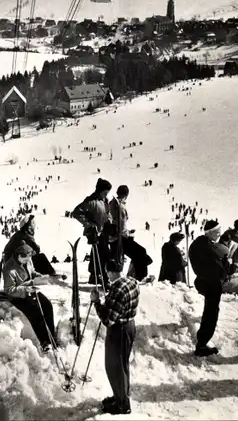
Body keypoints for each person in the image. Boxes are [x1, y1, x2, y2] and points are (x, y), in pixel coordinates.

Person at [90, 260, 139, 415]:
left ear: (109, 271)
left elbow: (108, 319)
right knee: (122, 365)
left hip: (118, 330)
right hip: (130, 326)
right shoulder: (131, 281)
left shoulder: (117, 289)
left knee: (114, 368)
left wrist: (96, 302)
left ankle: (122, 405)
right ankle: (121, 396)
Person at [3, 242, 58, 353]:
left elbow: (31, 272)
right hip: (17, 295)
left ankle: (52, 337)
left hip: (30, 289)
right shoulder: (9, 268)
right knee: (34, 312)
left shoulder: (28, 260)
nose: (28, 260)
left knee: (47, 306)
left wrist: (38, 276)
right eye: (26, 258)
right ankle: (44, 342)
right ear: (19, 256)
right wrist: (25, 290)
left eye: (29, 257)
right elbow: (9, 290)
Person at [189, 220, 226, 356]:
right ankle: (202, 345)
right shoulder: (206, 247)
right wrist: (226, 268)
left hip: (206, 281)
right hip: (211, 283)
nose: (219, 235)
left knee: (209, 311)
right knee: (211, 314)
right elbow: (215, 268)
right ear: (210, 233)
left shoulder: (201, 243)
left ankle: (202, 342)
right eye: (217, 232)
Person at [72, 178, 113, 286]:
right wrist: (88, 224)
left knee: (97, 253)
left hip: (103, 230)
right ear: (99, 191)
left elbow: (108, 212)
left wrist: (109, 219)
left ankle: (94, 275)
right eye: (105, 192)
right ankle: (103, 277)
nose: (106, 194)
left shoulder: (105, 201)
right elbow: (76, 212)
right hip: (94, 232)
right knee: (103, 254)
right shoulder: (90, 201)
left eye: (107, 193)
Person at [109, 185, 153, 281]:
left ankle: (137, 274)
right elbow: (119, 223)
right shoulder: (118, 205)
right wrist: (126, 233)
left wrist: (127, 232)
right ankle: (140, 276)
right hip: (119, 238)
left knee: (140, 252)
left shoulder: (115, 203)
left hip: (118, 236)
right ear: (126, 194)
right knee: (141, 252)